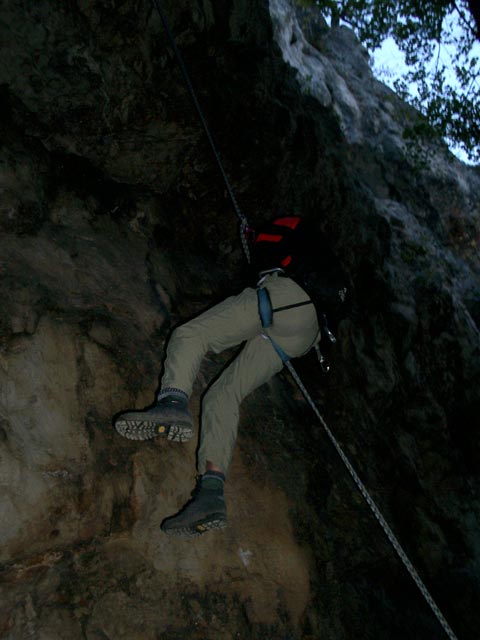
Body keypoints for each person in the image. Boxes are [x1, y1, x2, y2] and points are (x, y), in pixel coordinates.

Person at [114, 216, 323, 537]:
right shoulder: (320, 263)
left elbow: (272, 237)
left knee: (190, 336)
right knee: (224, 394)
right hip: (304, 335)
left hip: (289, 298)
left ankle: (172, 402)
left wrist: (252, 232)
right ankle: (210, 493)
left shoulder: (292, 229)